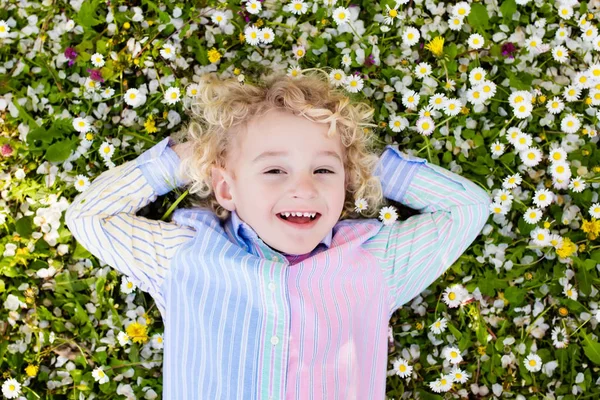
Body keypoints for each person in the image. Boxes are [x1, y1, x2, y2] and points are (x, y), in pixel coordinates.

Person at [64, 70, 492, 400]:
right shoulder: (185, 258)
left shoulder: (375, 262)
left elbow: (467, 208)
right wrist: (193, 157)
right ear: (228, 188)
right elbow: (91, 217)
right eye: (274, 170)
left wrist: (362, 164)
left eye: (323, 169)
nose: (304, 188)